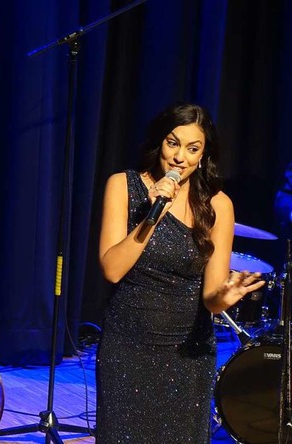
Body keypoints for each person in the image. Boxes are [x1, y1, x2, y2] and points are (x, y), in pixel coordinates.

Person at [96, 103, 265, 443]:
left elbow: (211, 298)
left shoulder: (218, 205)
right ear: (160, 142)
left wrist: (223, 296)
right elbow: (112, 269)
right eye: (173, 143)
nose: (179, 157)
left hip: (188, 356)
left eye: (193, 148)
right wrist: (154, 215)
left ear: (203, 155)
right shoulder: (123, 186)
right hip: (128, 347)